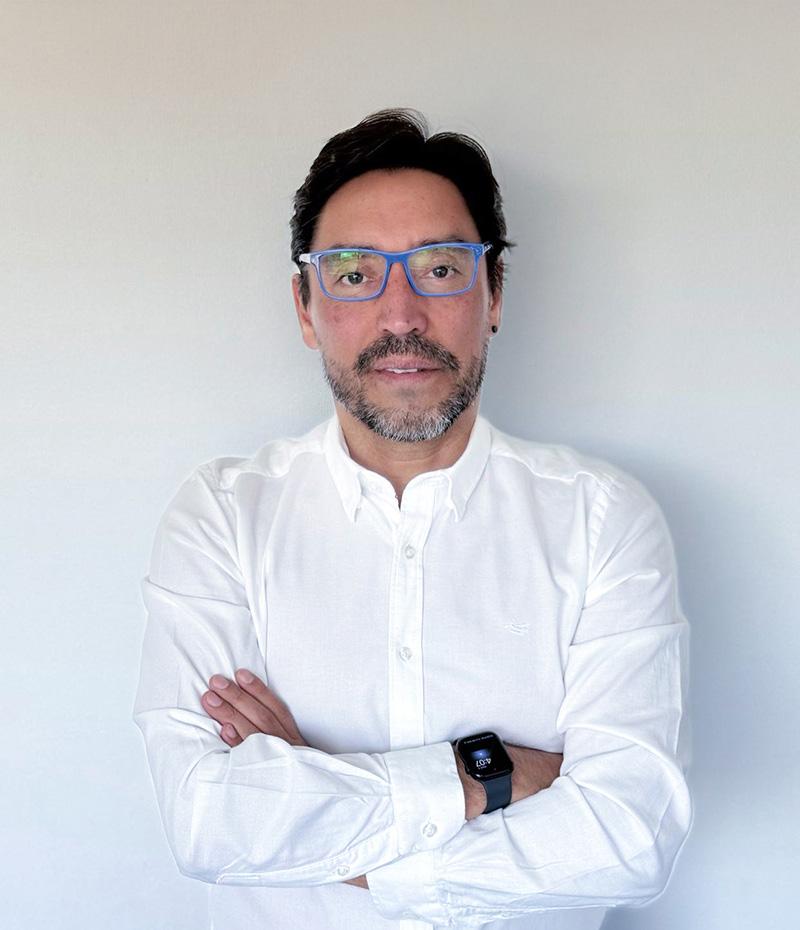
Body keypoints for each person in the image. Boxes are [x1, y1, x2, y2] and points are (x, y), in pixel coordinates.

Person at [133, 109, 691, 930]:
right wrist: (491, 775)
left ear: (493, 294)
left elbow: (630, 838)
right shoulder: (221, 515)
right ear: (305, 307)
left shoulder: (602, 519)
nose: (401, 316)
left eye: (440, 268)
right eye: (355, 273)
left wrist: (312, 798)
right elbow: (209, 823)